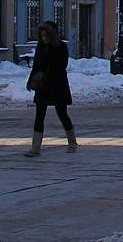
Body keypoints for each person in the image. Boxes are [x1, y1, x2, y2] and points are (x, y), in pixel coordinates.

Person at [24, 21, 75, 157]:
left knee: (62, 114)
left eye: (46, 36)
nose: (44, 39)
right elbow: (36, 66)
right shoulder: (41, 47)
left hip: (58, 85)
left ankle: (72, 142)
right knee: (39, 115)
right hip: (43, 86)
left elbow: (62, 65)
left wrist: (48, 67)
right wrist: (31, 80)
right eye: (41, 36)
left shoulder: (61, 47)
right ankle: (35, 148)